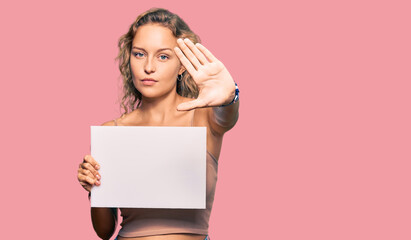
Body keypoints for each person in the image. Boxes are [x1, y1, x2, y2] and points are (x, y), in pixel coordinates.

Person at [77, 8, 239, 240]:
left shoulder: (203, 117)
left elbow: (228, 116)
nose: (149, 67)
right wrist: (94, 190)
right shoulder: (111, 132)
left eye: (163, 56)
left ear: (182, 65)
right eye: (139, 54)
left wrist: (230, 96)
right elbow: (104, 231)